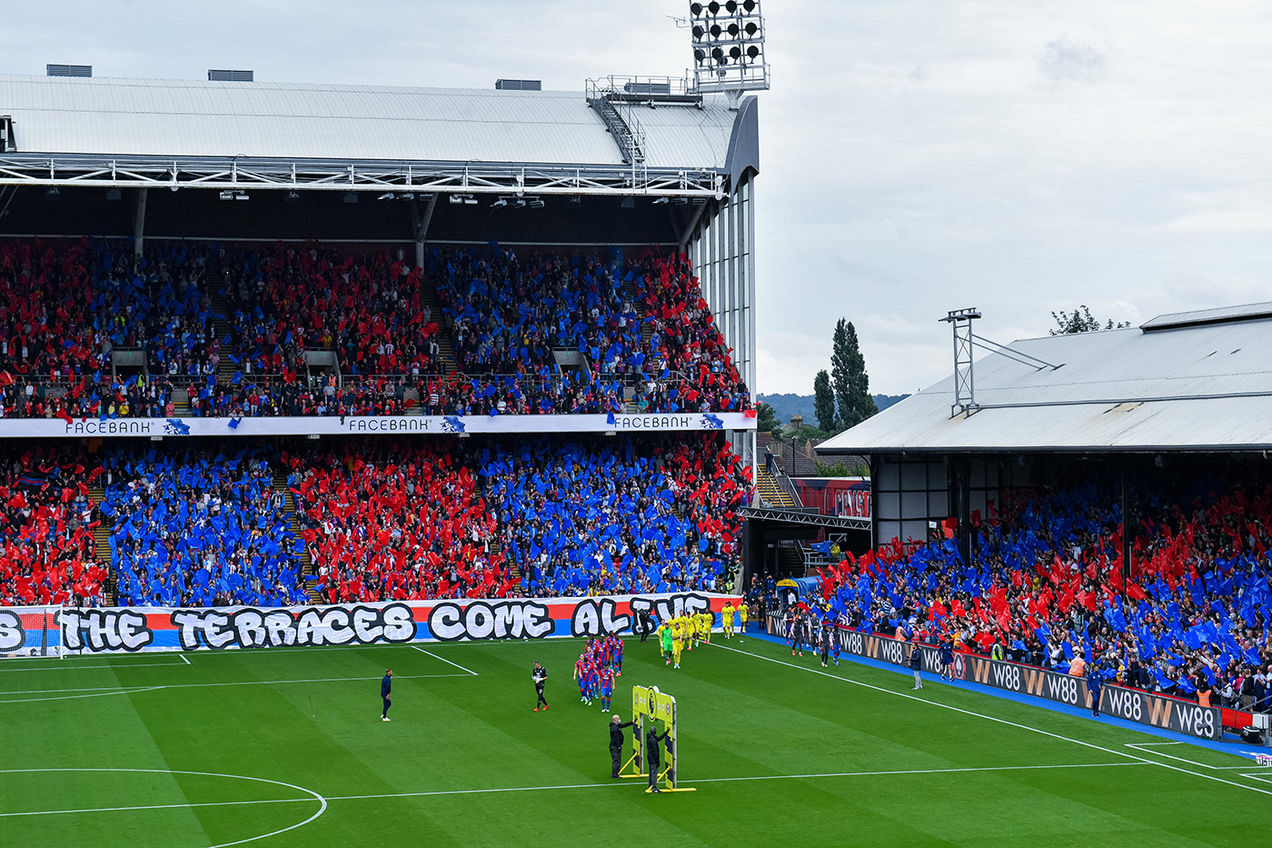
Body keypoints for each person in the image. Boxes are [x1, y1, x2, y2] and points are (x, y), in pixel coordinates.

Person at [644, 725, 669, 793]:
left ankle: (650, 785)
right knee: (654, 772)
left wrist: (665, 733)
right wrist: (657, 761)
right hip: (653, 758)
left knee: (651, 772)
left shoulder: (650, 738)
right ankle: (654, 788)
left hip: (649, 757)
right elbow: (655, 752)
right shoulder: (653, 740)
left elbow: (658, 738)